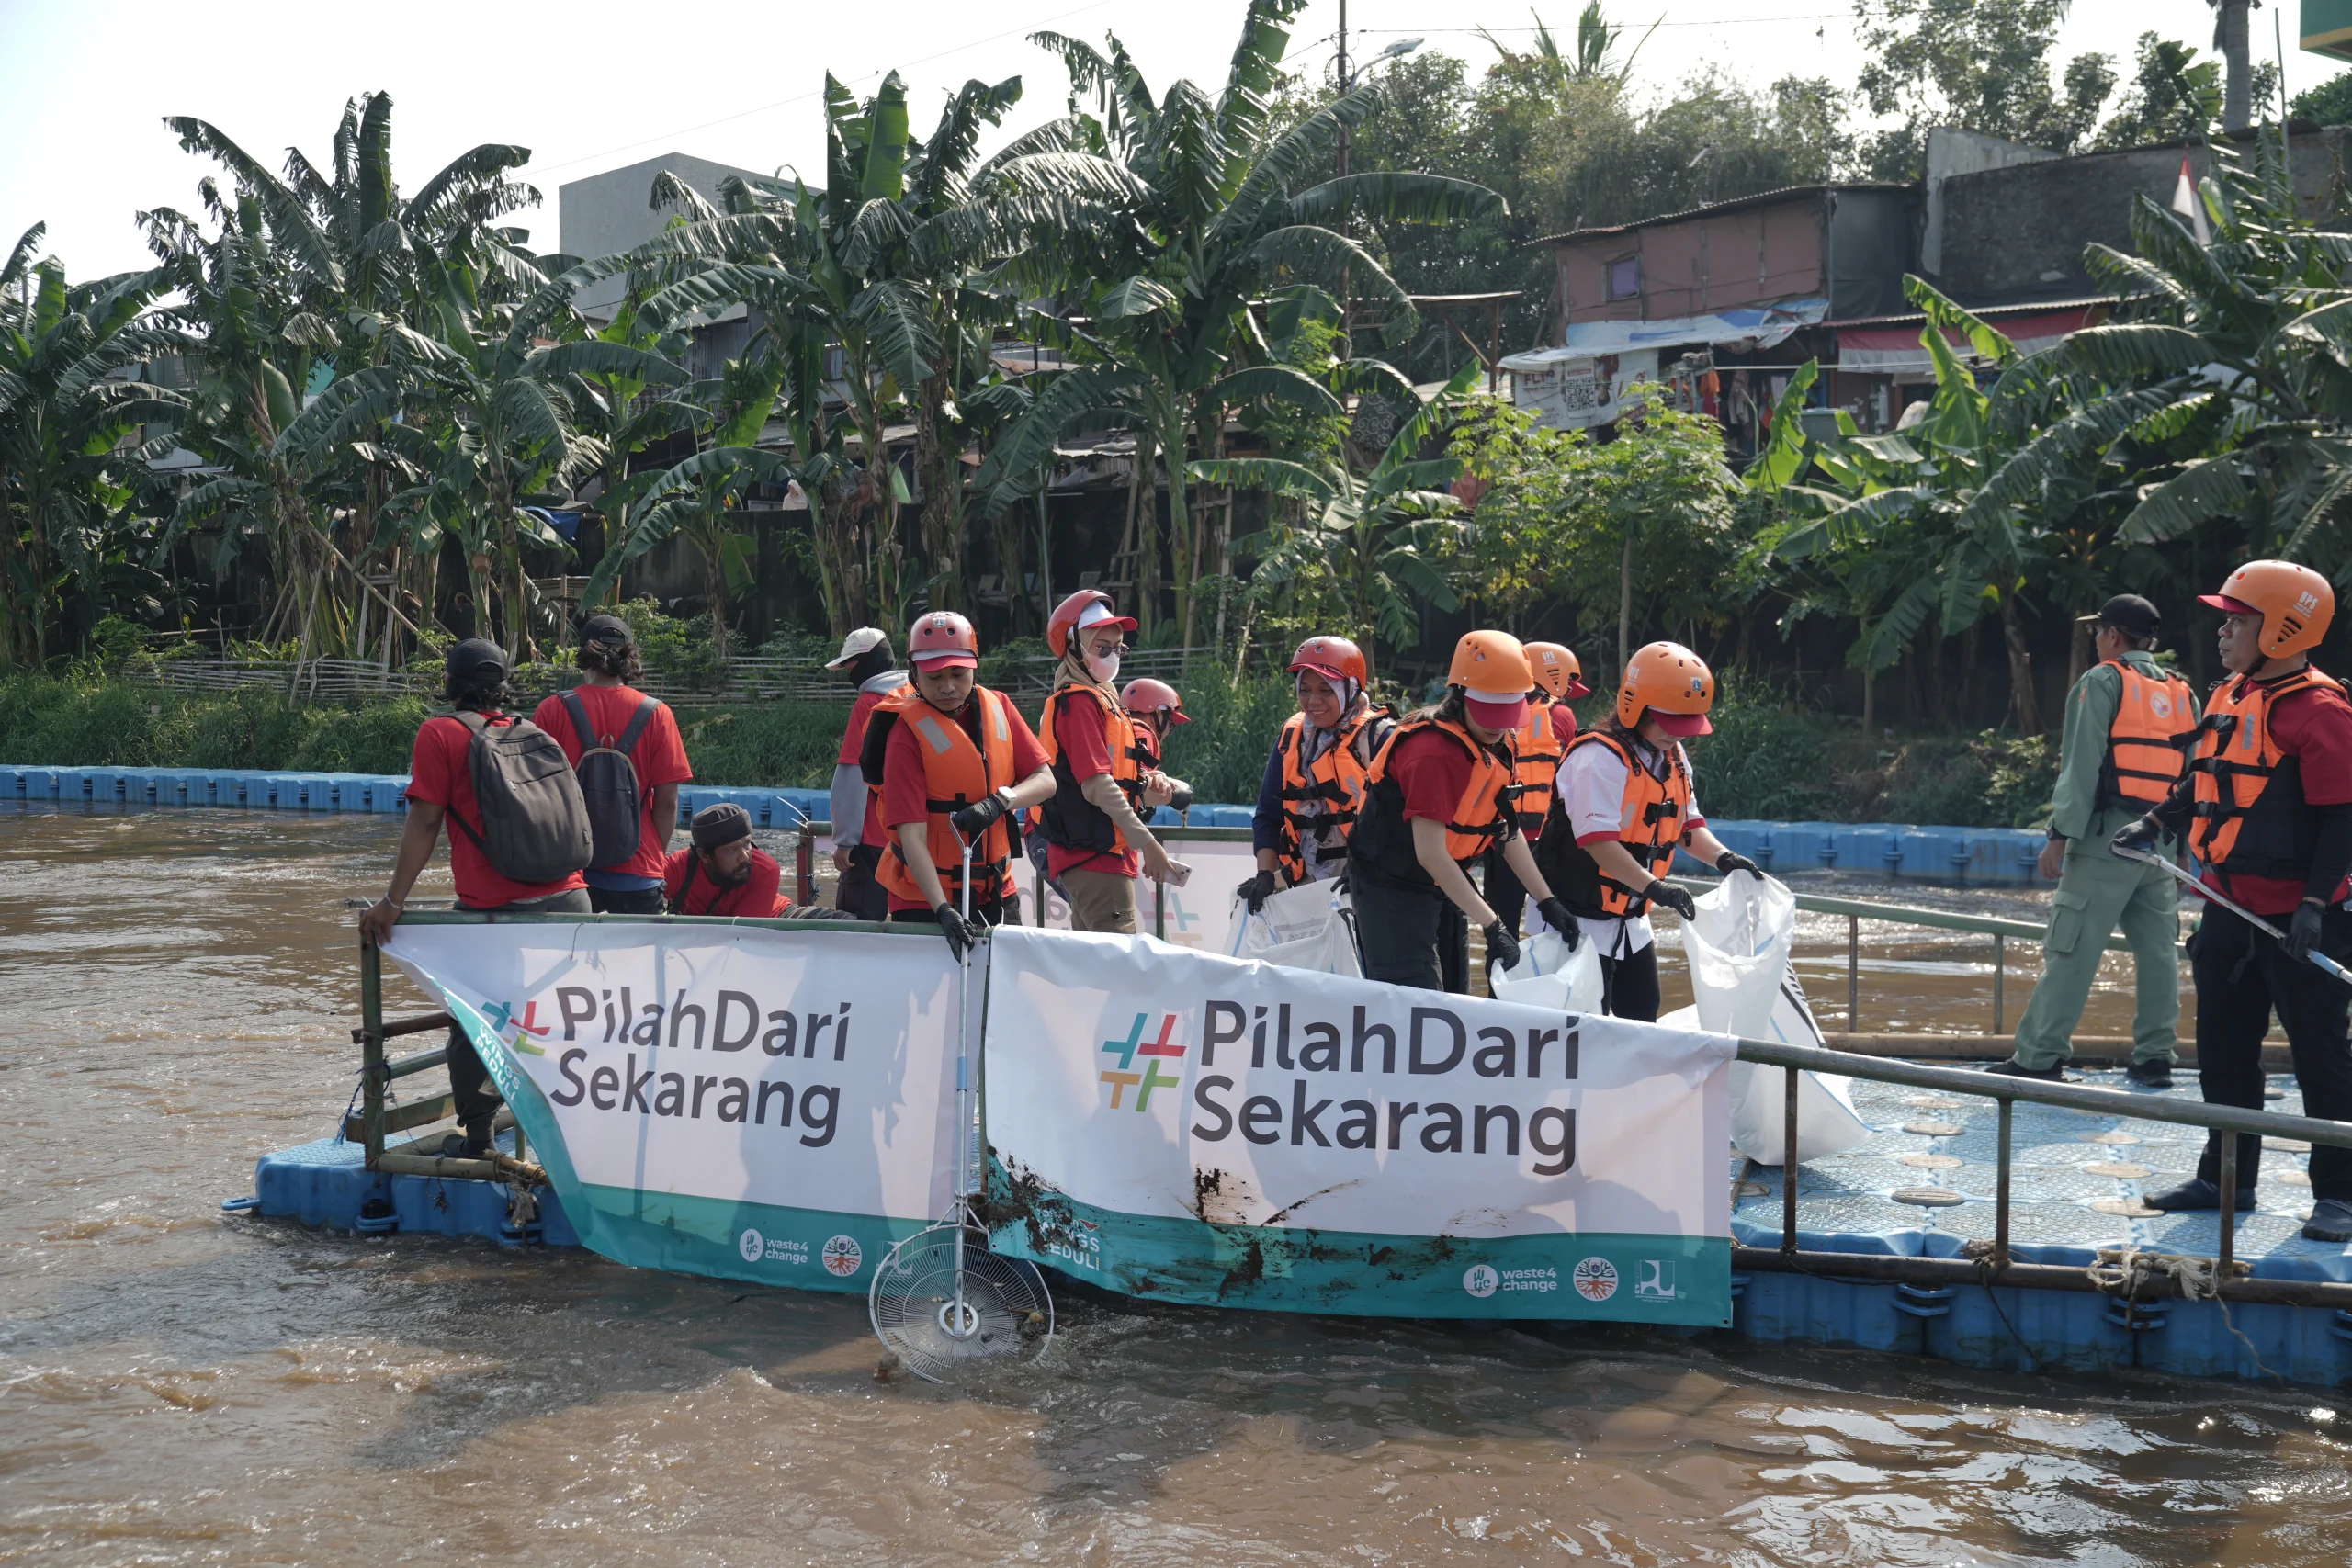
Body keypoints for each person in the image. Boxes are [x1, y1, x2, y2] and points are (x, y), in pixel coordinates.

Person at [2112, 560, 2352, 1241]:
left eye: (2237, 620)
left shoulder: (2322, 710)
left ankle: (2340, 1191)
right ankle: (2225, 1178)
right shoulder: (2228, 694)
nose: (2224, 630)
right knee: (2222, 1048)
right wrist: (2156, 820)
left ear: (2282, 629)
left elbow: (2343, 818)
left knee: (2321, 1058)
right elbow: (2205, 777)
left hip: (2303, 921)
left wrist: (2312, 905)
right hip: (2228, 909)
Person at [358, 639, 591, 1156]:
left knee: (475, 1019)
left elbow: (424, 822)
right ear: (504, 684)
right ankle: (576, 1134)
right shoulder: (534, 732)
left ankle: (481, 1139)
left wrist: (393, 902)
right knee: (562, 1020)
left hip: (496, 912)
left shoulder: (440, 734)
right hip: (572, 903)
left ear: (450, 683)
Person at [1991, 595, 2193, 1085]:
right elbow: (2193, 778)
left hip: (2106, 839)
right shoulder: (2184, 693)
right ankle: (2155, 1058)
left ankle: (2038, 1057)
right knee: (2159, 954)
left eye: (2098, 631)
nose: (2095, 639)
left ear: (2114, 636)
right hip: (2160, 844)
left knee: (2072, 949)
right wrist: (2183, 847)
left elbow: (2080, 765)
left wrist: (2059, 835)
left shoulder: (2102, 681)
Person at [1534, 642, 1762, 1021]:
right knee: (1580, 1023)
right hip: (1577, 917)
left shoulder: (1671, 755)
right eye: (1670, 725)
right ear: (1635, 707)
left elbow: (1688, 828)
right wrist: (1656, 887)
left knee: (1642, 1013)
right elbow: (1598, 843)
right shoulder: (1597, 758)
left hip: (1631, 917)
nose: (1678, 737)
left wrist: (1725, 859)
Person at [1345, 630, 1579, 993]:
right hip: (1390, 885)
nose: (1496, 725)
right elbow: (1431, 854)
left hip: (1442, 882)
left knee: (1455, 996)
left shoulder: (1503, 743)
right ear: (1460, 695)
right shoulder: (1432, 752)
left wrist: (1546, 900)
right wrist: (1492, 923)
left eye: (1507, 713)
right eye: (1487, 711)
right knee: (1415, 999)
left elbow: (1506, 830)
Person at [863, 611, 1057, 956]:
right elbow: (912, 838)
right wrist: (943, 910)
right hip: (923, 897)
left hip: (996, 888)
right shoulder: (904, 734)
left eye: (958, 673)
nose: (948, 686)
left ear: (974, 668)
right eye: (934, 676)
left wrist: (1000, 801)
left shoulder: (1000, 706)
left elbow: (1045, 781)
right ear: (914, 673)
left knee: (999, 990)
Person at [1035, 589, 1179, 932]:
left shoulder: (1099, 700)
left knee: (1095, 972)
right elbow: (1096, 785)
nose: (1113, 655)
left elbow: (1111, 778)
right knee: (1118, 975)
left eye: (1118, 647)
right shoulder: (1080, 704)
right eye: (1103, 647)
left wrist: (1146, 786)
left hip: (1100, 854)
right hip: (1096, 858)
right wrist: (1148, 843)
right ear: (1073, 646)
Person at [530, 613, 691, 915]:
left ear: (583, 656)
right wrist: (650, 852)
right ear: (629, 658)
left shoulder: (552, 710)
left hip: (571, 877)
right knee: (639, 962)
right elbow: (667, 803)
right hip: (639, 877)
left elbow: (539, 800)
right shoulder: (657, 714)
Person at [1239, 636, 1397, 912]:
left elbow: (1404, 825)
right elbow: (1267, 815)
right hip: (1306, 888)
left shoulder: (1380, 737)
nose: (1313, 701)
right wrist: (1265, 874)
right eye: (1305, 689)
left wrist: (1369, 870)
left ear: (1349, 688)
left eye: (1326, 690)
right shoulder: (1292, 736)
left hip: (1372, 889)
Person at [1483, 640, 1587, 942]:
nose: (1567, 695)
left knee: (1502, 937)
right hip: (1550, 844)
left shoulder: (1492, 715)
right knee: (1558, 933)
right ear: (1552, 676)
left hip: (1501, 840)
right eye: (1566, 686)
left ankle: (1497, 990)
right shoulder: (1562, 716)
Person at [824, 627, 910, 921]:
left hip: (871, 839)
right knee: (910, 924)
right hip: (912, 838)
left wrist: (845, 840)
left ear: (868, 660)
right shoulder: (916, 696)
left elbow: (852, 775)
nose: (847, 670)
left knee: (856, 929)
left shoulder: (869, 703)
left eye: (850, 663)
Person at [666, 802, 792, 917]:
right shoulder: (677, 869)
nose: (744, 857)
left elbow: (743, 934)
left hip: (778, 917)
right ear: (704, 855)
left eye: (747, 844)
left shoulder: (765, 869)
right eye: (732, 849)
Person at [1118, 677, 1196, 817]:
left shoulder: (1118, 728)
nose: (1168, 731)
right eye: (1171, 724)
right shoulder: (1144, 734)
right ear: (1159, 713)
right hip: (1116, 824)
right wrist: (1175, 796)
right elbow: (1135, 788)